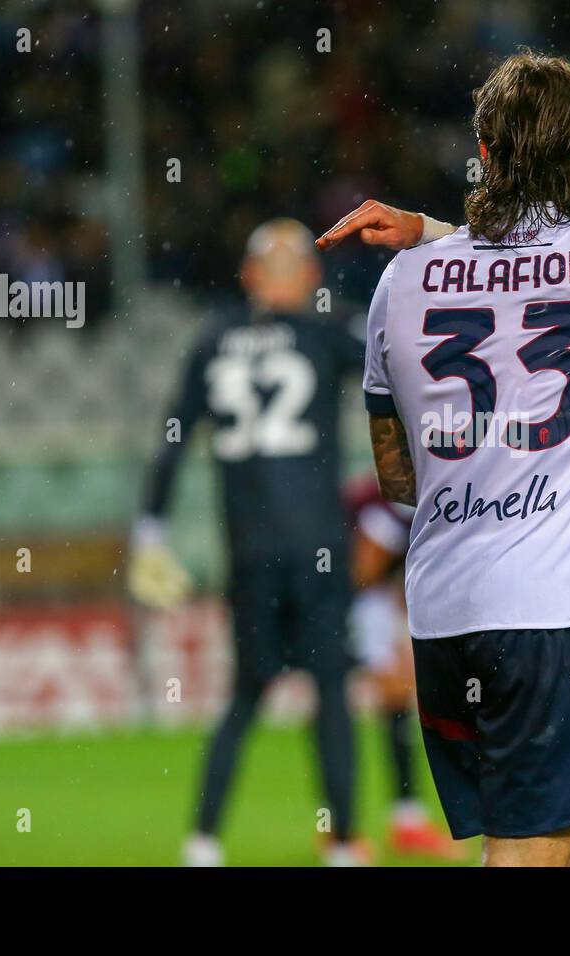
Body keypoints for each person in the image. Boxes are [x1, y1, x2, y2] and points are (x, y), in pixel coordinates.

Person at [317, 52, 570, 866]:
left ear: (481, 153)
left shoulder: (401, 282)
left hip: (444, 611)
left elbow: (400, 478)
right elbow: (538, 261)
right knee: (527, 852)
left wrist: (428, 235)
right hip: (549, 612)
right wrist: (555, 481)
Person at [128, 218, 368, 867]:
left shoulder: (213, 340)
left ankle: (203, 842)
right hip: (318, 544)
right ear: (310, 278)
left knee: (245, 694)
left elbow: (173, 437)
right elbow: (400, 369)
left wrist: (149, 528)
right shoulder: (326, 332)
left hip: (251, 550)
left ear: (248, 276)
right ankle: (344, 844)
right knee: (330, 694)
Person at [343, 473, 466, 860]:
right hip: (334, 600)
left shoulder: (424, 489)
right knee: (341, 702)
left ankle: (404, 822)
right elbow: (361, 571)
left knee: (395, 696)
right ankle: (340, 831)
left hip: (360, 599)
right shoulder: (404, 499)